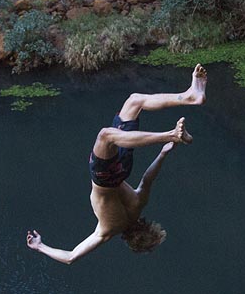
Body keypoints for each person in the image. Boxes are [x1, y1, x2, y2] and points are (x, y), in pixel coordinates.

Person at [26, 65, 208, 264]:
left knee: (134, 101)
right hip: (105, 177)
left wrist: (163, 153)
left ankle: (189, 98)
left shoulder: (139, 205)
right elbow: (70, 257)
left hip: (122, 169)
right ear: (130, 240)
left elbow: (148, 178)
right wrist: (40, 246)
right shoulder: (106, 231)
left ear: (146, 227)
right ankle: (177, 122)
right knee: (106, 136)